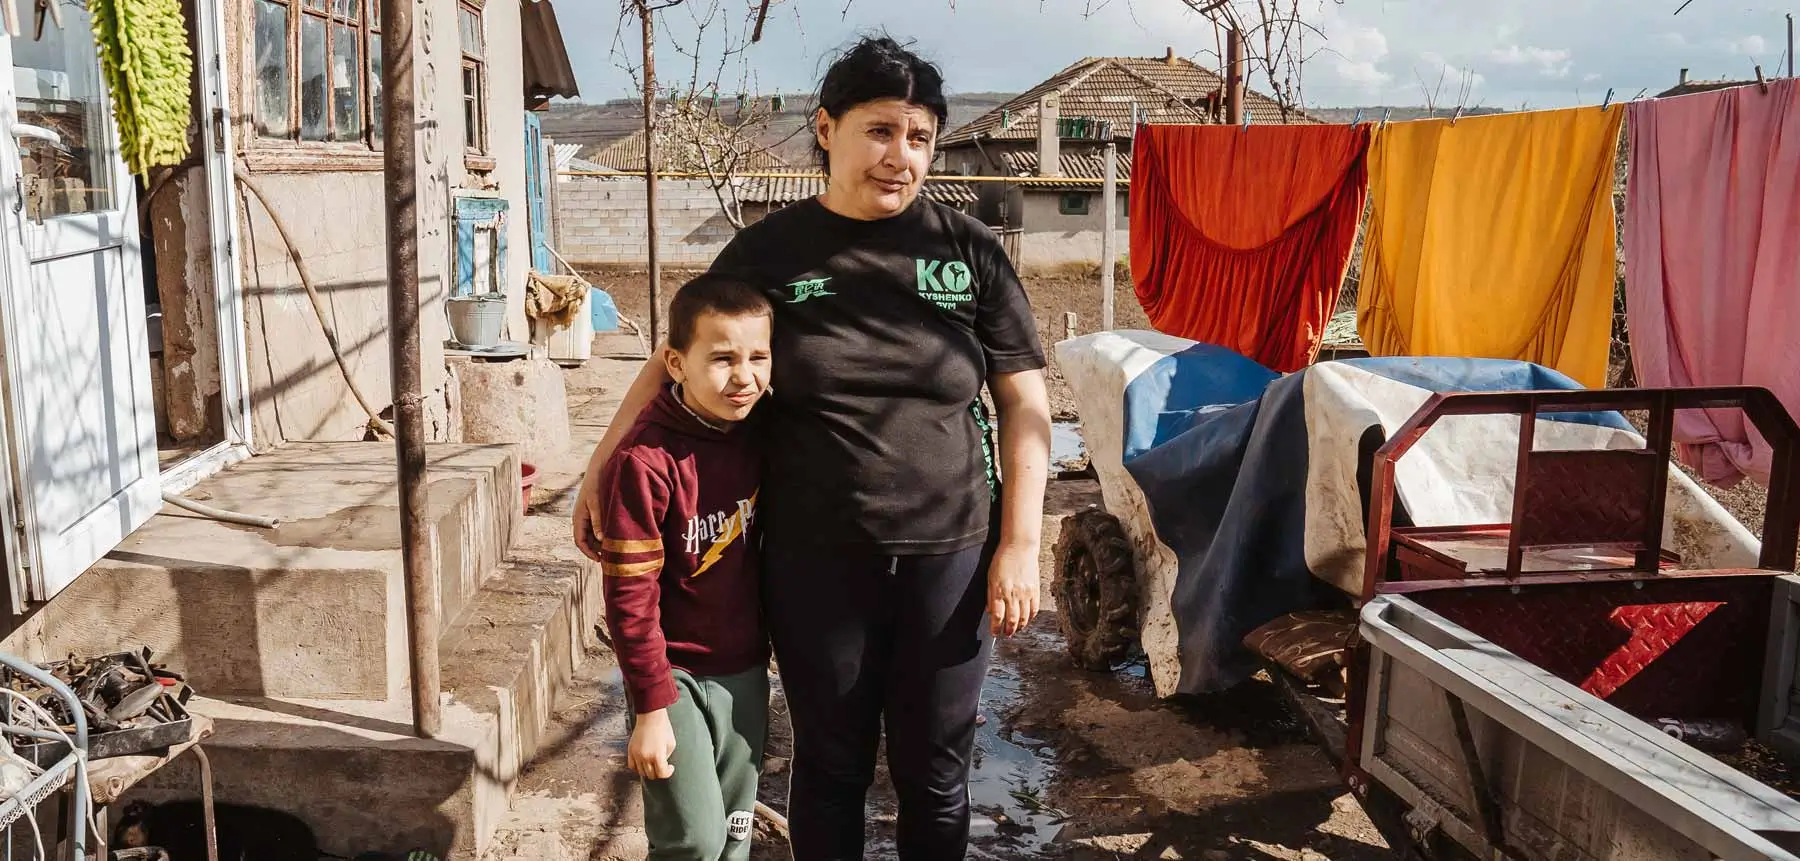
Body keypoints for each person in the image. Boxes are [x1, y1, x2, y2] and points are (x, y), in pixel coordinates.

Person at [576, 35, 1052, 860]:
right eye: (879, 131)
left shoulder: (968, 251)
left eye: (919, 137)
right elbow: (671, 366)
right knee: (831, 764)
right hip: (815, 555)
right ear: (827, 129)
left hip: (953, 553)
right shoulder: (770, 251)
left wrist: (1019, 542)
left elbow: (1024, 402)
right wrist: (601, 468)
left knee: (935, 769)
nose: (900, 156)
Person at [595, 273, 773, 860]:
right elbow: (630, 596)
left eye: (758, 357)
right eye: (721, 358)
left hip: (746, 670)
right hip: (673, 675)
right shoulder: (645, 463)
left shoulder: (763, 436)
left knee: (736, 837)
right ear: (675, 362)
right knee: (691, 840)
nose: (743, 376)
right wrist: (649, 705)